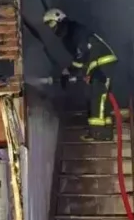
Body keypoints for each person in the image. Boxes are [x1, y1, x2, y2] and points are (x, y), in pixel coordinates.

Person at [43, 8, 119, 140]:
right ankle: (105, 132)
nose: (53, 29)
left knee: (97, 97)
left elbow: (82, 54)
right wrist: (83, 73)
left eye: (53, 24)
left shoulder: (76, 31)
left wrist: (69, 71)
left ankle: (98, 132)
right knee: (99, 98)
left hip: (103, 65)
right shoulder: (70, 35)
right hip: (97, 66)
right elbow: (84, 58)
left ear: (60, 20)